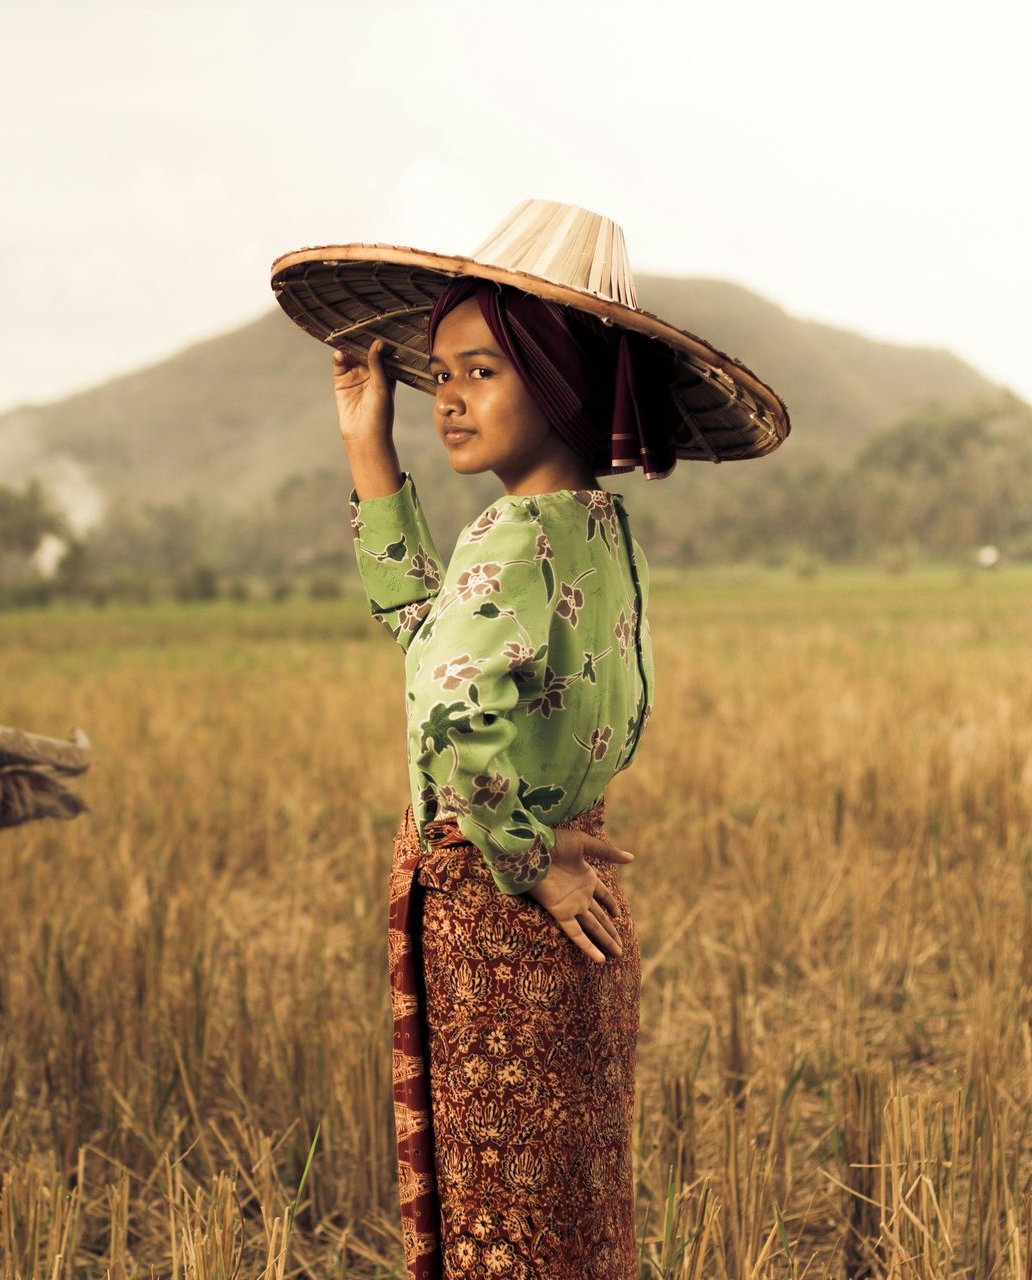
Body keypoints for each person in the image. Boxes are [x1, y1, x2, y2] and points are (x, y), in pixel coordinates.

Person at [269, 199, 789, 1279]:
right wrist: (372, 447)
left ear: (559, 382)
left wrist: (524, 853)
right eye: (441, 373)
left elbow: (448, 722)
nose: (447, 399)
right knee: (568, 1202)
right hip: (569, 915)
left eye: (480, 372)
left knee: (502, 1210)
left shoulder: (507, 539)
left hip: (503, 917)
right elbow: (439, 652)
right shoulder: (592, 530)